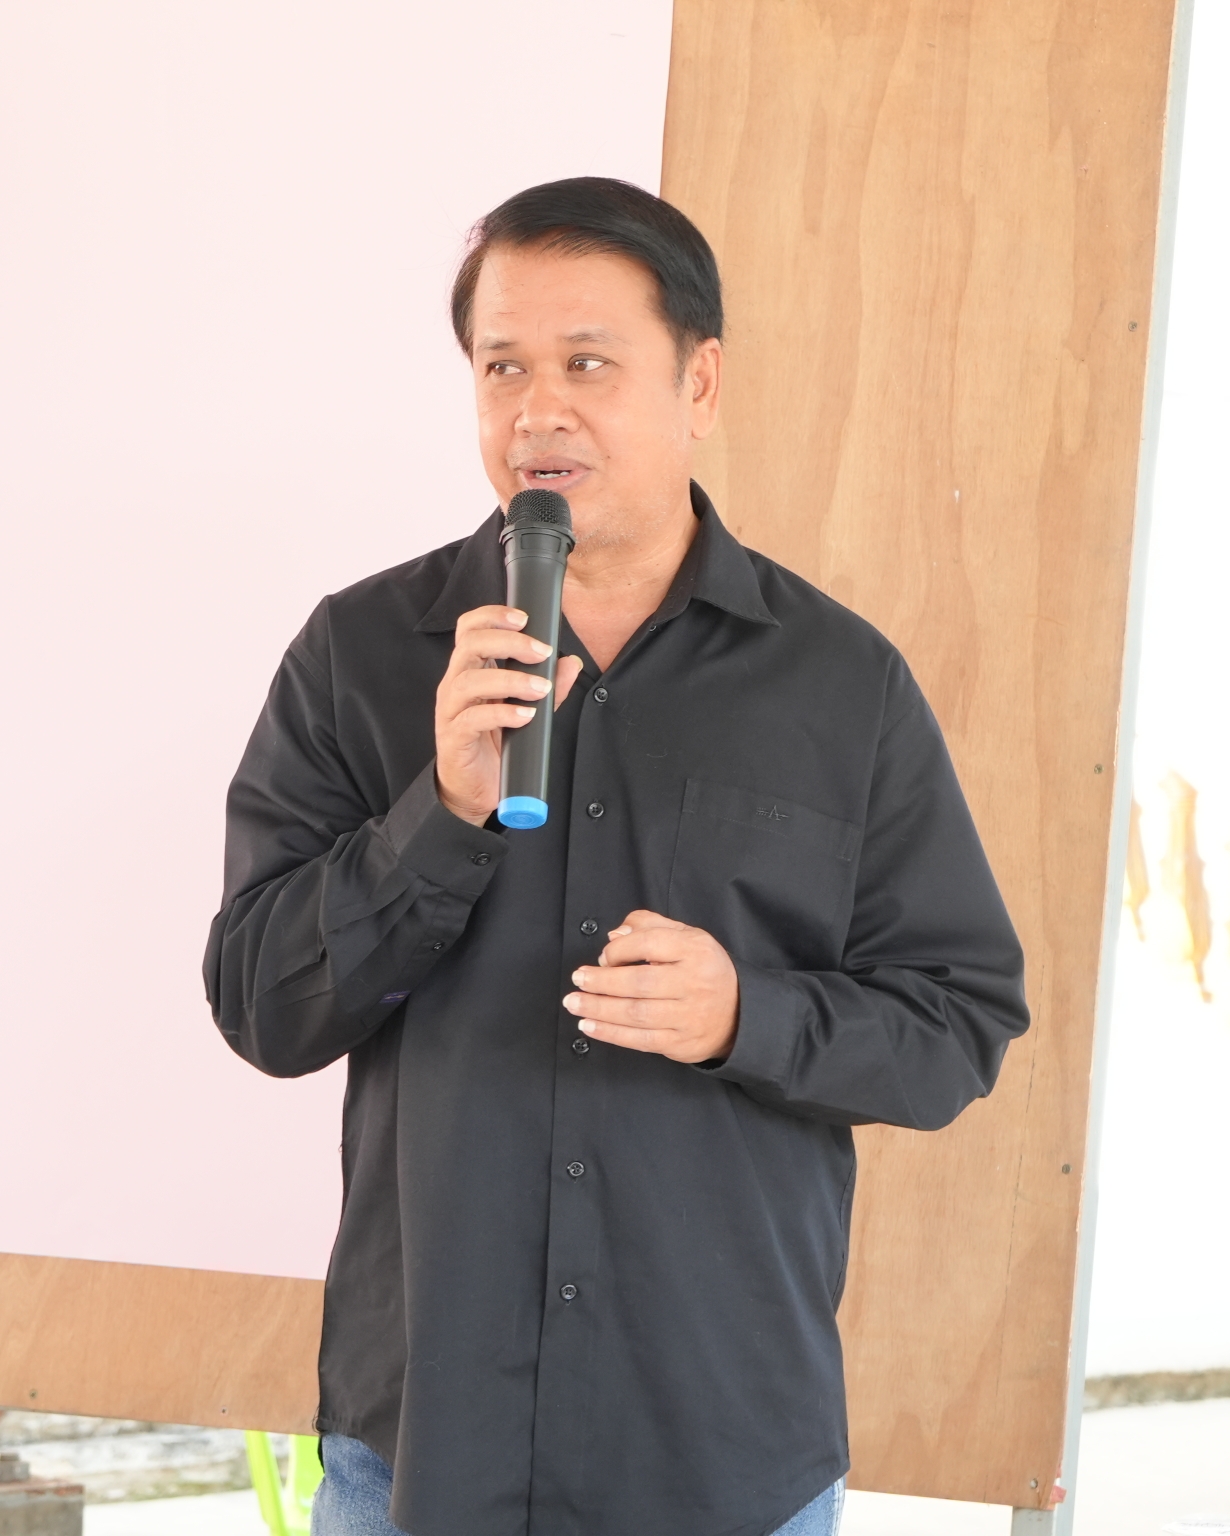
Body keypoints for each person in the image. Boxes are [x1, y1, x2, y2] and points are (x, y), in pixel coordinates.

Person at [205, 177, 1029, 1536]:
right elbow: (262, 1006)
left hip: (719, 1449)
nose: (538, 411)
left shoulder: (839, 685)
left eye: (587, 364)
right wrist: (438, 814)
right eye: (503, 368)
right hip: (426, 1448)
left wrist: (745, 1016)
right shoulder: (362, 653)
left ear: (698, 384)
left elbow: (956, 1026)